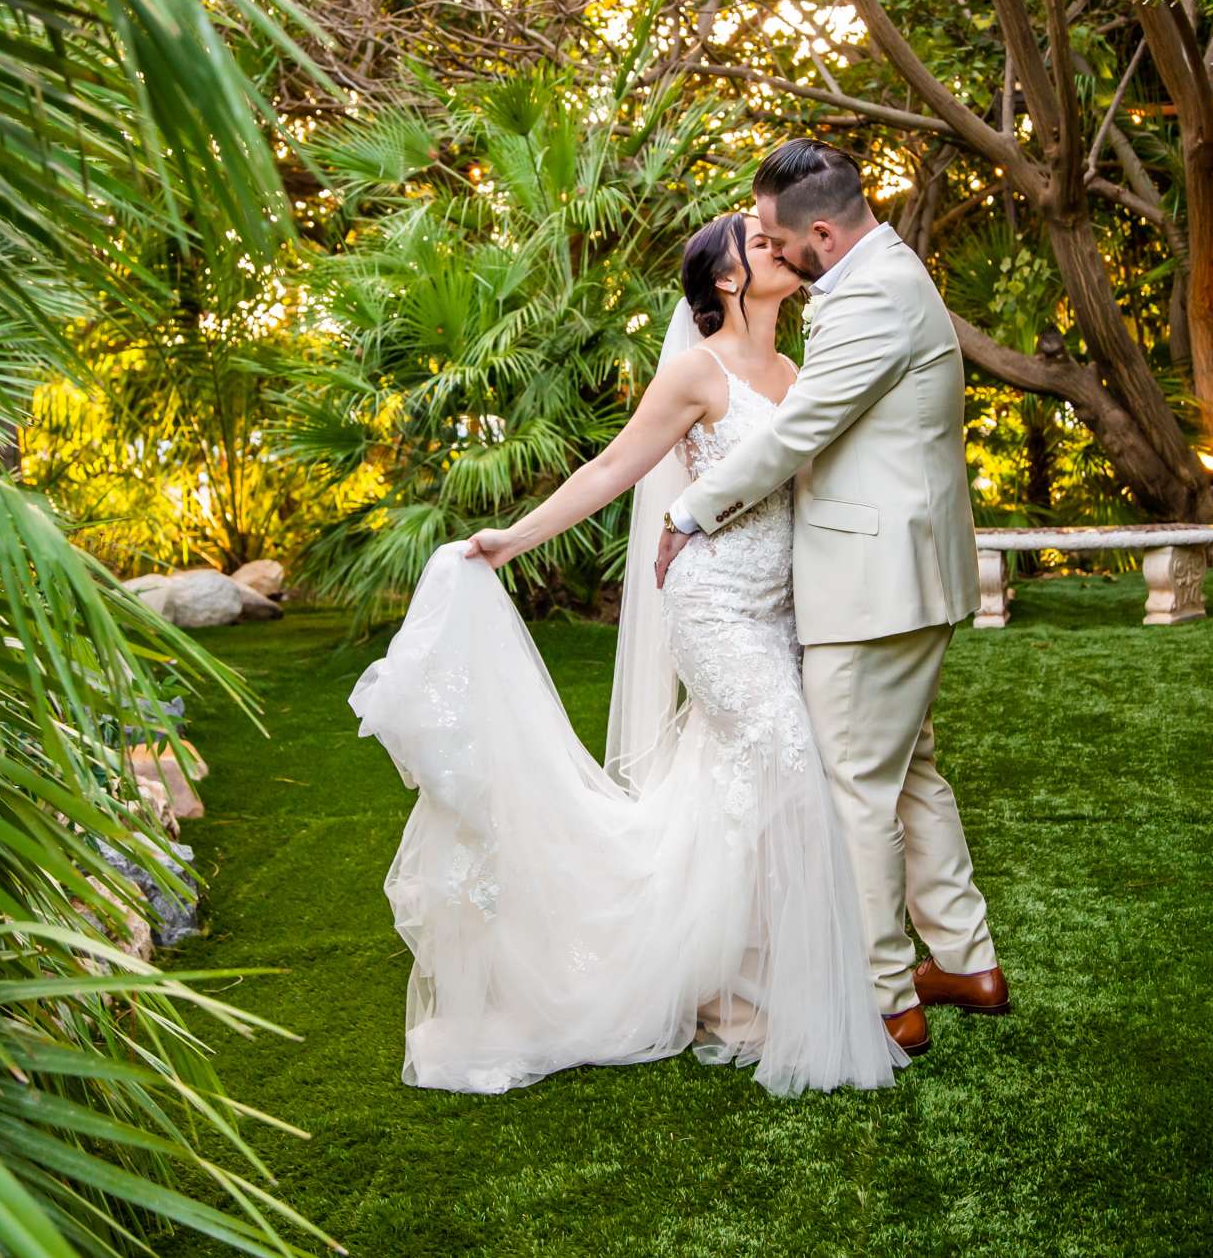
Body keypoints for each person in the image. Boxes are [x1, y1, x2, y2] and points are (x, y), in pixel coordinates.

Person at [348, 208, 902, 1095]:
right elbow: (612, 468)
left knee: (739, 787)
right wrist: (511, 539)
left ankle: (721, 974)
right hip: (714, 605)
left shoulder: (797, 370)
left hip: (779, 607)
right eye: (762, 244)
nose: (785, 248)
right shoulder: (696, 370)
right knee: (788, 759)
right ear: (726, 279)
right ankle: (779, 997)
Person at [654, 139, 1009, 1056]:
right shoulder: (883, 274)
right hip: (901, 575)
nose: (766, 248)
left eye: (773, 235)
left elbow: (801, 430)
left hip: (872, 584)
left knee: (853, 785)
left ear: (821, 230)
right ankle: (967, 958)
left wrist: (689, 512)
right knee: (911, 770)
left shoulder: (873, 299)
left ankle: (887, 994)